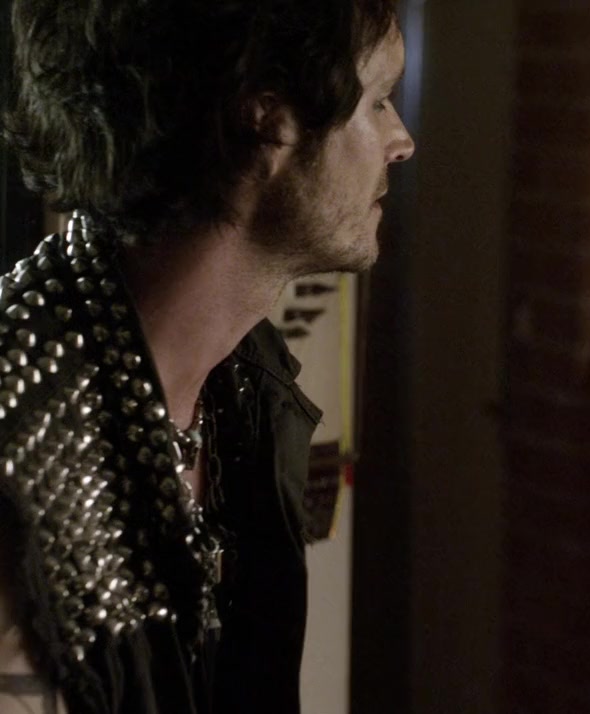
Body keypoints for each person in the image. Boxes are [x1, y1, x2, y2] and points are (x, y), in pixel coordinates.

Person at [0, 0, 414, 711]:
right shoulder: (23, 450)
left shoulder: (247, 388)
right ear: (268, 119)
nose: (401, 141)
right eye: (377, 101)